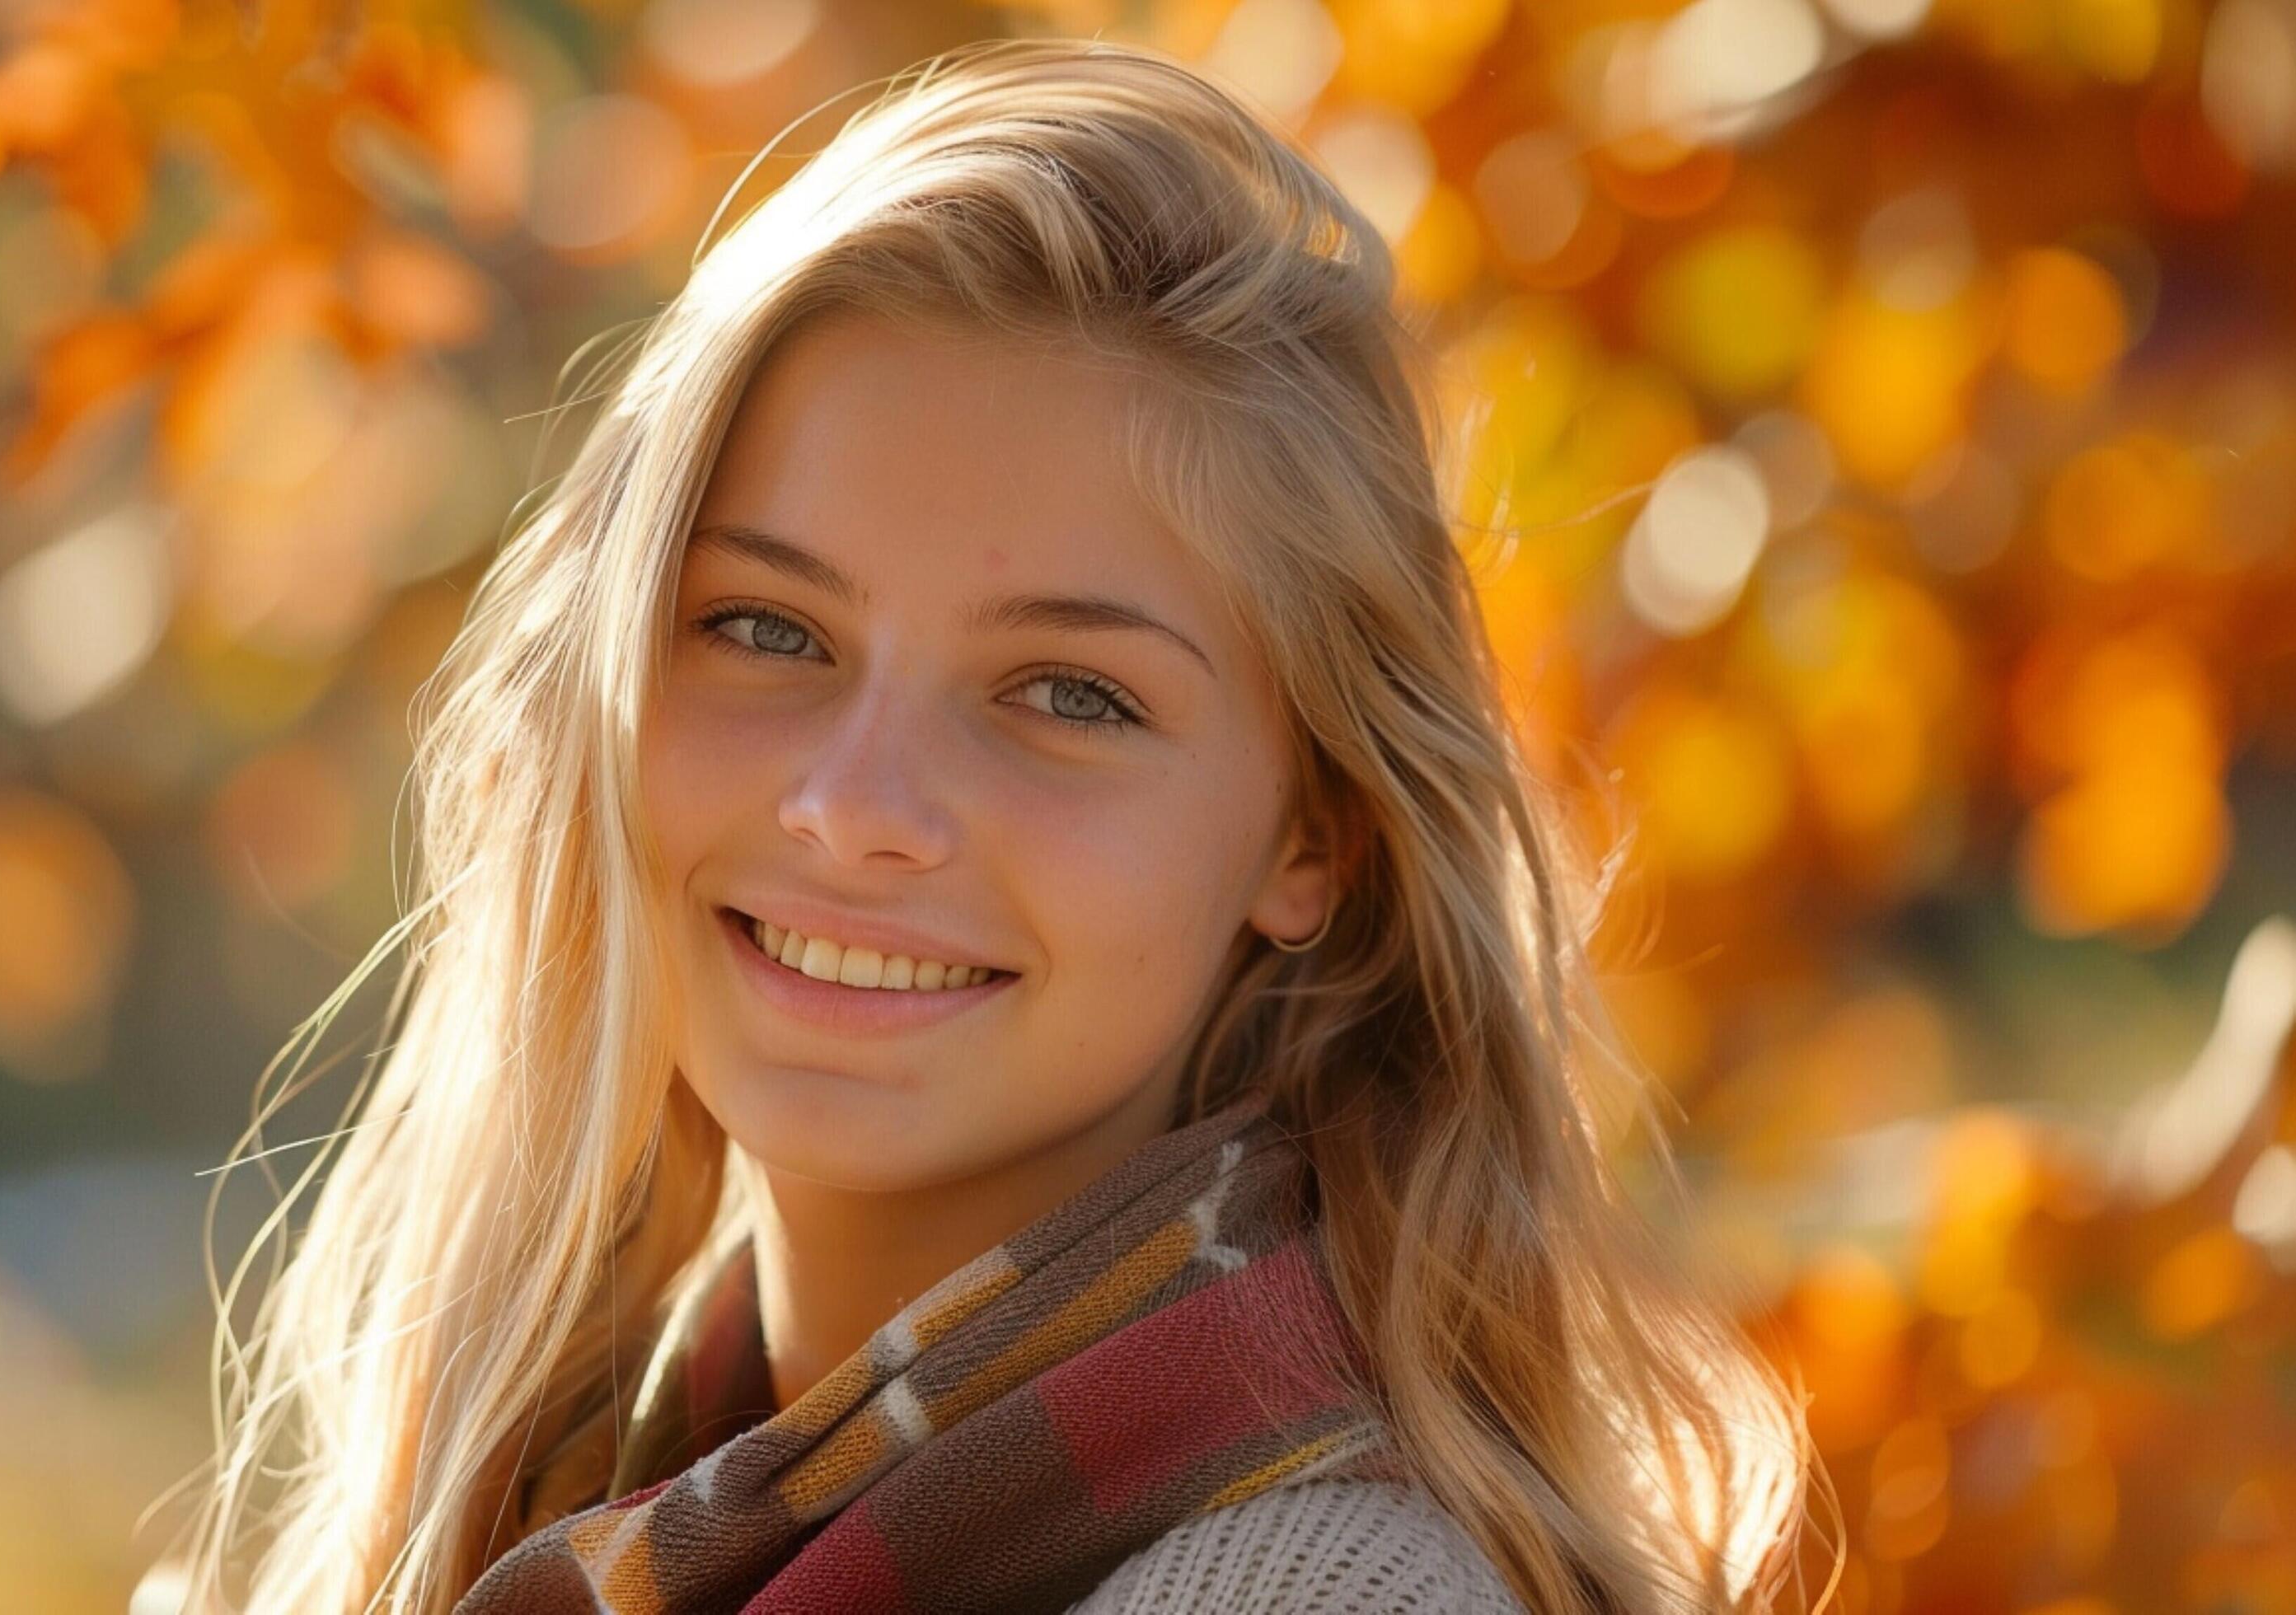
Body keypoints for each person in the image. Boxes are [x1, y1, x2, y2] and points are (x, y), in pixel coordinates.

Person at [170, 35, 1818, 1615]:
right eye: (767, 627)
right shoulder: (605, 1509)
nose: (856, 805)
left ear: (1317, 838)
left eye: (1069, 694)